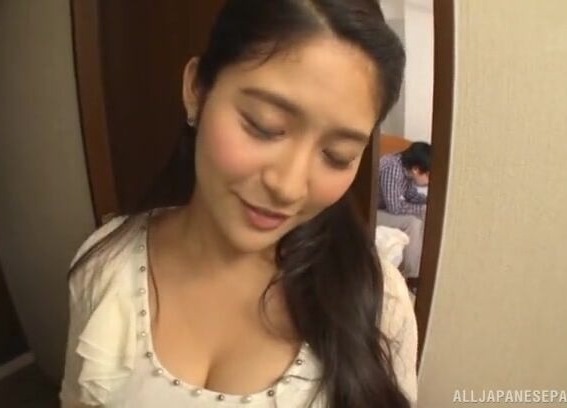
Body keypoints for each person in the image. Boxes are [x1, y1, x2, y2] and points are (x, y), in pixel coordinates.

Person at [60, 1, 417, 407]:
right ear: (197, 90)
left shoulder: (379, 302)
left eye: (337, 155)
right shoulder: (106, 263)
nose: (288, 187)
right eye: (263, 126)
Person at [377, 142, 431, 279]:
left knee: (424, 215)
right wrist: (422, 209)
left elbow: (411, 195)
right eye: (428, 175)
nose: (429, 181)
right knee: (413, 222)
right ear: (416, 169)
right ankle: (413, 275)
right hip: (367, 211)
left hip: (382, 208)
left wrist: (430, 202)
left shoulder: (406, 170)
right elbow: (395, 207)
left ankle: (423, 265)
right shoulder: (392, 168)